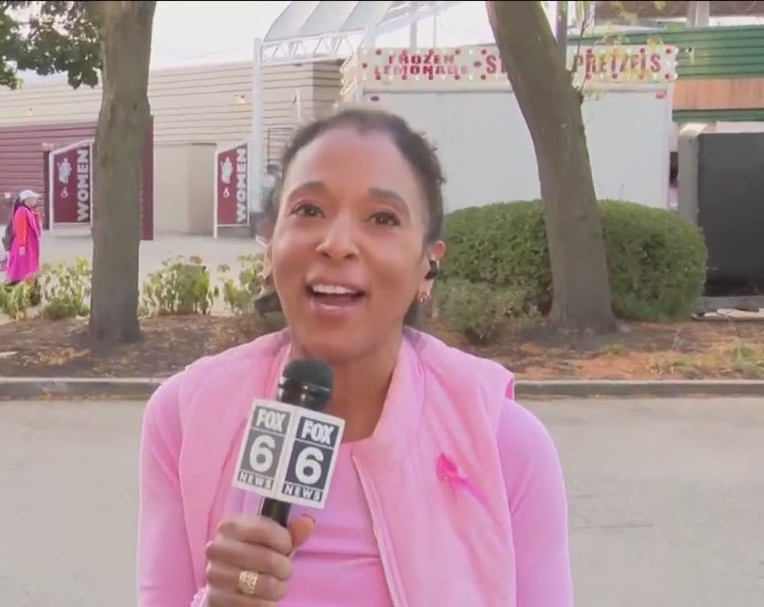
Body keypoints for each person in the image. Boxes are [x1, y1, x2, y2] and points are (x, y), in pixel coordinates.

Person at [137, 108, 572, 606]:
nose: (337, 244)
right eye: (308, 211)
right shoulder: (186, 418)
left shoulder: (505, 446)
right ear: (269, 247)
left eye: (383, 219)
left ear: (428, 265)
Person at [4, 190, 42, 285]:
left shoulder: (28, 211)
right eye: (34, 199)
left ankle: (27, 281)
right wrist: (22, 246)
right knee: (21, 268)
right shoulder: (21, 211)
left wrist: (36, 215)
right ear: (27, 200)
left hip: (29, 246)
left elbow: (37, 228)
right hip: (24, 246)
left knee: (28, 267)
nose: (35, 201)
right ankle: (19, 283)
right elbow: (21, 229)